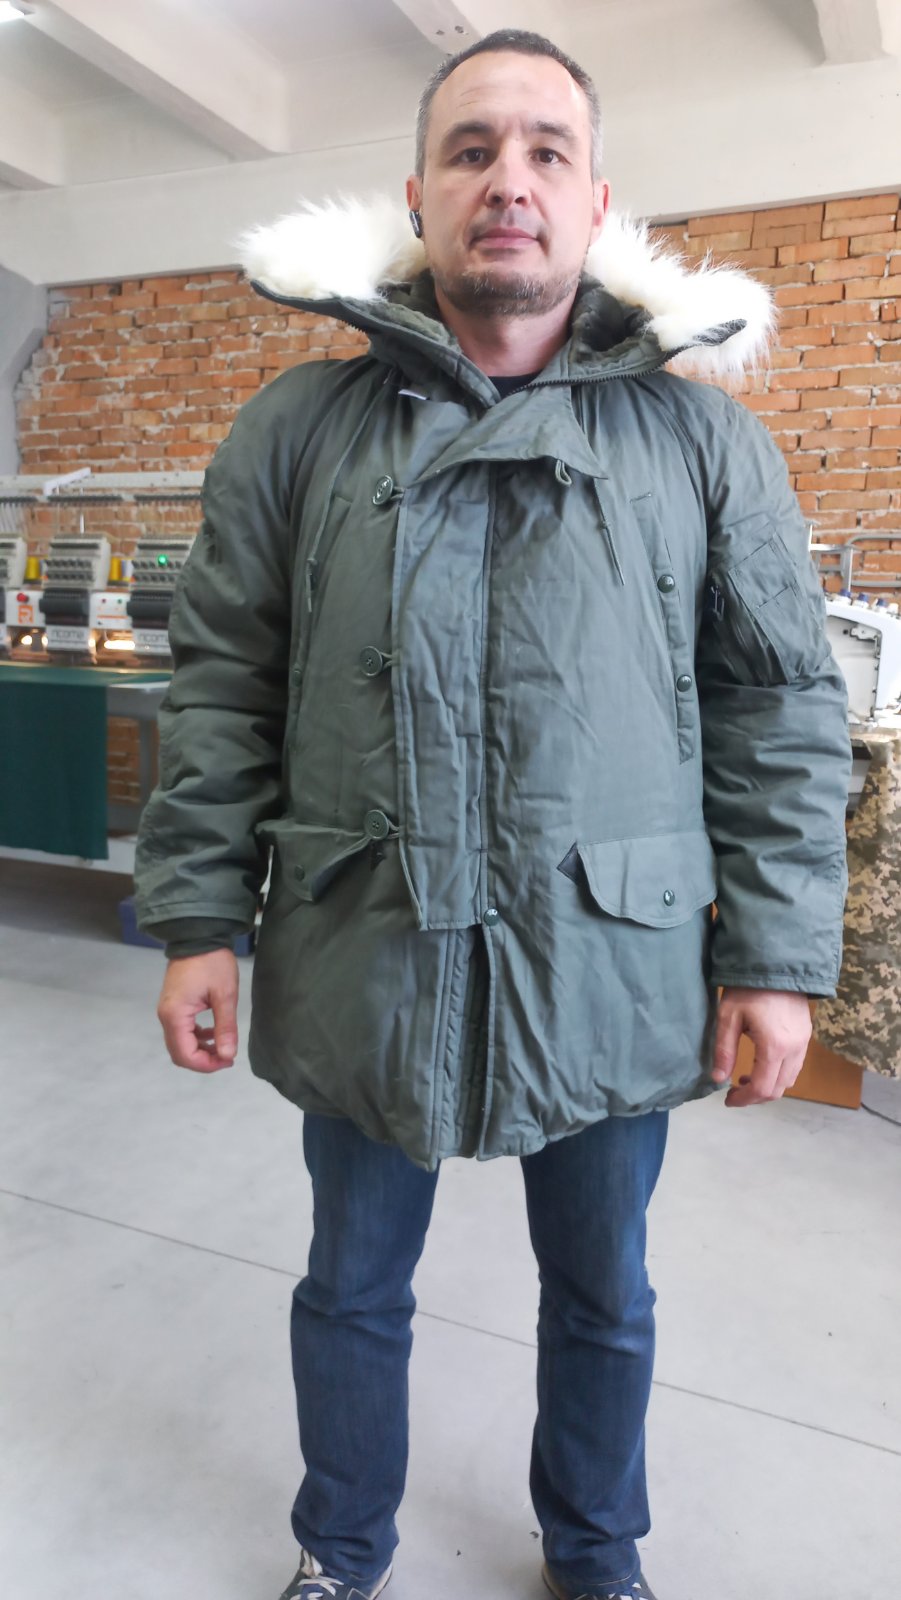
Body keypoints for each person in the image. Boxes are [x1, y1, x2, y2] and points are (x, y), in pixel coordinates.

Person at [134, 28, 852, 1600]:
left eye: (542, 151)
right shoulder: (296, 430)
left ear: (595, 199)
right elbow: (224, 685)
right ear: (420, 195)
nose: (506, 180)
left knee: (603, 1293)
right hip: (360, 938)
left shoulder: (700, 442)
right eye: (470, 151)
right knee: (349, 1285)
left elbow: (775, 709)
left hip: (609, 951)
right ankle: (339, 1551)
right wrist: (195, 919)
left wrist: (774, 956)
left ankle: (596, 1551)